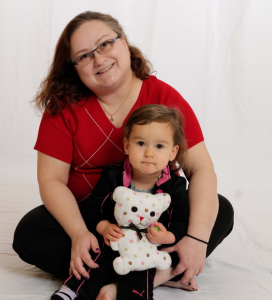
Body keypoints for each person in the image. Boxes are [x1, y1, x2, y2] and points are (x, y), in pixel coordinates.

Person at [12, 11, 234, 300]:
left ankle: (116, 281)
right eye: (84, 56)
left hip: (157, 224)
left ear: (124, 43)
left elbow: (201, 170)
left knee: (221, 210)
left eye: (105, 44)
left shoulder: (165, 98)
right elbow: (51, 179)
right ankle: (157, 275)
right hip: (94, 222)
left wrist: (195, 239)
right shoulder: (63, 107)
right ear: (74, 67)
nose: (99, 59)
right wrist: (79, 232)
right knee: (30, 234)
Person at [58, 104, 190, 300]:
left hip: (152, 248)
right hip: (117, 241)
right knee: (97, 252)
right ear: (127, 145)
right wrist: (104, 227)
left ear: (173, 152)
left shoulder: (175, 185)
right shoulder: (113, 175)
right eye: (141, 143)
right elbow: (92, 209)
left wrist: (167, 237)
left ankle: (124, 290)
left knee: (149, 267)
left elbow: (182, 223)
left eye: (159, 146)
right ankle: (74, 289)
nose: (149, 153)